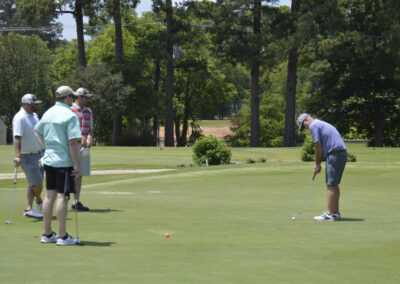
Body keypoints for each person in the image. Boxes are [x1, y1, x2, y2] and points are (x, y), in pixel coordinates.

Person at [34, 86, 82, 245]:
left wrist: (44, 148)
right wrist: (76, 164)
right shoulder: (70, 115)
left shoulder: (48, 112)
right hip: (64, 162)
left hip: (49, 161)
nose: (73, 100)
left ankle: (47, 234)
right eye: (72, 97)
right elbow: (73, 142)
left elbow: (36, 131)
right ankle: (62, 236)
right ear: (67, 98)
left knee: (49, 196)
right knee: (62, 196)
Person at [298, 113, 347, 221]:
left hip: (334, 154)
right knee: (334, 184)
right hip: (341, 153)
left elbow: (317, 145)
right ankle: (335, 213)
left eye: (303, 126)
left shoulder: (313, 125)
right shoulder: (320, 123)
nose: (305, 129)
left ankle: (329, 214)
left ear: (306, 120)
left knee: (331, 184)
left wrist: (317, 163)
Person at [12, 94, 44, 218]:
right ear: (28, 104)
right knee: (37, 183)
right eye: (35, 103)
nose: (37, 106)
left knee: (34, 183)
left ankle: (29, 209)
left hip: (39, 153)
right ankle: (39, 201)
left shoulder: (34, 115)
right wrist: (18, 156)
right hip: (27, 155)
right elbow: (17, 137)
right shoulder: (20, 118)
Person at [70, 87, 94, 211]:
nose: (87, 99)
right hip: (72, 146)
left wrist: (90, 138)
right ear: (79, 97)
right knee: (70, 172)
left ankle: (76, 201)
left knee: (80, 175)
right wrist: (80, 137)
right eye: (86, 97)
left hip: (84, 147)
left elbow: (90, 129)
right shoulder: (70, 110)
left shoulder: (88, 111)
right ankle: (65, 198)